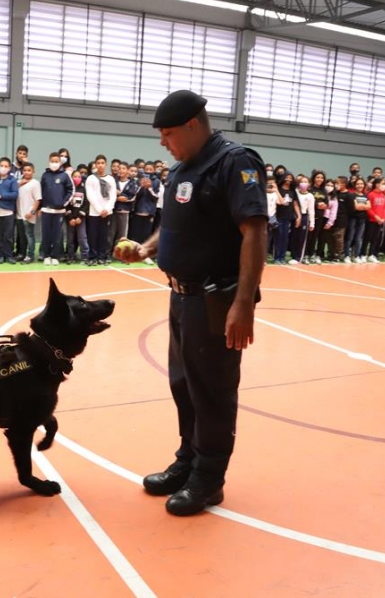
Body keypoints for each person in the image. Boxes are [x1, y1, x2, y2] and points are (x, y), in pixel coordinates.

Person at [115, 89, 267, 516]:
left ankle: (209, 479)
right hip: (181, 298)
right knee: (184, 387)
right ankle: (188, 461)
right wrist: (146, 250)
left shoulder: (234, 163)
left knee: (212, 392)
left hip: (215, 300)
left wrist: (244, 304)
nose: (163, 142)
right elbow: (176, 226)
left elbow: (254, 233)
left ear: (192, 125)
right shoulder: (182, 169)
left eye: (167, 133)